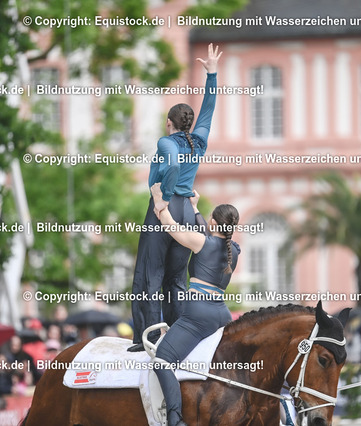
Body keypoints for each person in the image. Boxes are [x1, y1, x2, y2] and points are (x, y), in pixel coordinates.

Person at [128, 43, 222, 352]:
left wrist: (162, 198)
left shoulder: (166, 142)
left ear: (169, 122)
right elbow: (208, 110)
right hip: (186, 212)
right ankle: (180, 337)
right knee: (177, 279)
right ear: (189, 124)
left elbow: (170, 165)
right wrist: (212, 75)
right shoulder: (199, 140)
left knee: (149, 275)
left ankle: (148, 338)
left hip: (164, 209)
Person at [150, 185, 240, 426]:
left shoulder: (203, 243)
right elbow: (209, 237)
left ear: (214, 222)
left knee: (162, 360)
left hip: (198, 314)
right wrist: (195, 208)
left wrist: (159, 201)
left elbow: (170, 226)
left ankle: (175, 419)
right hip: (222, 315)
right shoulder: (234, 250)